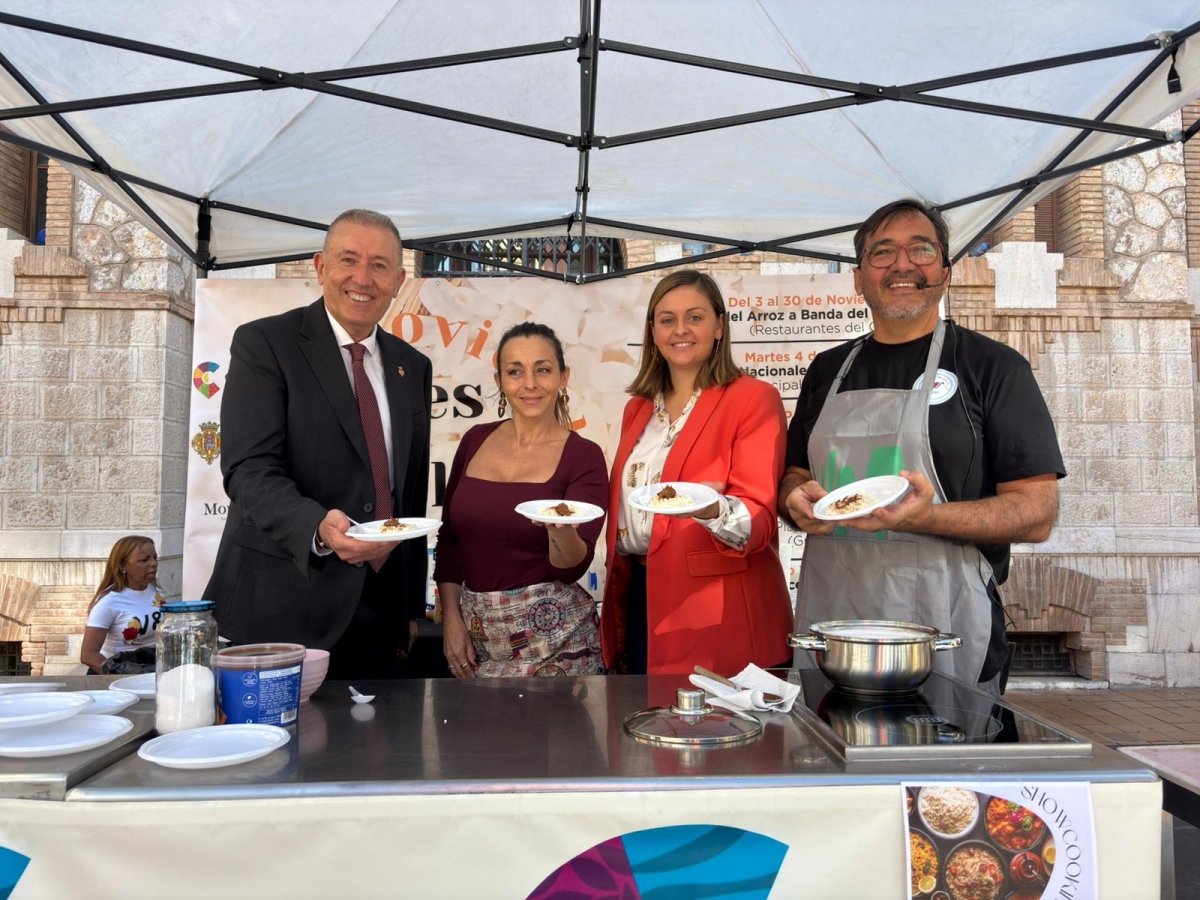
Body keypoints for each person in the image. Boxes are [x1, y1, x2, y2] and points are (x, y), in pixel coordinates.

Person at [778, 198, 1065, 694]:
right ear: (858, 276)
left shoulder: (993, 367)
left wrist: (924, 517)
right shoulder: (827, 369)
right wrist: (793, 500)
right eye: (882, 252)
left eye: (921, 250)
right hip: (836, 619)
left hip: (946, 623)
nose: (902, 265)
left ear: (946, 270)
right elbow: (797, 473)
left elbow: (1037, 512)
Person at [203, 209, 432, 680]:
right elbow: (248, 469)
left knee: (376, 751)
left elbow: (407, 488)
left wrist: (408, 606)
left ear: (399, 280)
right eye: (348, 259)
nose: (362, 278)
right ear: (320, 266)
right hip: (280, 606)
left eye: (379, 265)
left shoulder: (413, 365)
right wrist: (316, 527)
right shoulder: (265, 343)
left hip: (378, 613)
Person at [599, 270, 793, 675]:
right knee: (646, 731)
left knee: (726, 737)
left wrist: (708, 507)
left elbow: (757, 521)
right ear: (652, 331)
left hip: (720, 614)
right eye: (666, 319)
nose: (680, 330)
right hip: (641, 598)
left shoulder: (754, 399)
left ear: (720, 325)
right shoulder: (637, 408)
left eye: (695, 317)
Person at [437, 322, 607, 677]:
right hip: (477, 642)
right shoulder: (474, 440)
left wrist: (560, 529)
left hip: (560, 646)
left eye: (542, 370)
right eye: (515, 371)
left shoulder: (583, 455)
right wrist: (451, 618)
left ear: (563, 378)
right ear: (500, 381)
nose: (530, 383)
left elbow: (573, 567)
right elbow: (450, 541)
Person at [81, 535, 163, 674]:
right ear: (123, 565)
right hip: (116, 677)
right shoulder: (108, 602)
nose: (153, 563)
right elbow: (88, 655)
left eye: (154, 557)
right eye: (144, 560)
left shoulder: (154, 589)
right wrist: (126, 674)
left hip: (152, 671)